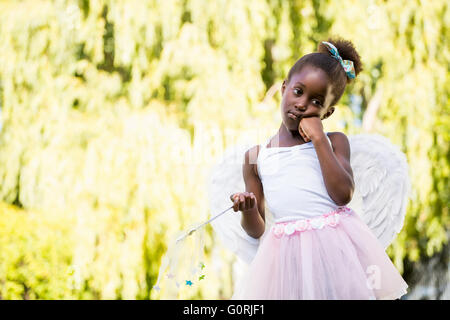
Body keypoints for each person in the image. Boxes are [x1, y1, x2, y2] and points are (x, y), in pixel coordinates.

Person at [229, 37, 409, 300]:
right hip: (285, 256)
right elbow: (256, 230)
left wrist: (319, 139)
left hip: (335, 248)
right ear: (284, 88)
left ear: (327, 113)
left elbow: (342, 194)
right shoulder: (255, 158)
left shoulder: (334, 142)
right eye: (298, 92)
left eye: (316, 102)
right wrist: (247, 210)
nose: (302, 104)